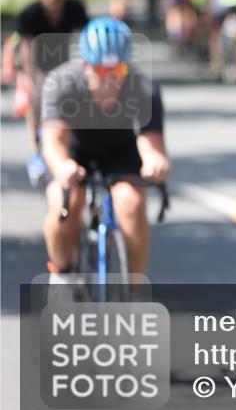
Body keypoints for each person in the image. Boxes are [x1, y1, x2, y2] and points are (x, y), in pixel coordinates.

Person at [40, 17, 170, 279]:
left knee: (131, 204)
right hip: (74, 152)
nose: (110, 79)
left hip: (120, 150)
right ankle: (61, 273)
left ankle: (133, 289)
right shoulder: (62, 83)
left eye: (118, 71)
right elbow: (53, 140)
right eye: (101, 71)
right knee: (65, 205)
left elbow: (151, 140)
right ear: (86, 65)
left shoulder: (144, 87)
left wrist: (155, 160)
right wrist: (62, 165)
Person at [9, 0, 89, 186]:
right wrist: (33, 78)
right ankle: (36, 151)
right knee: (35, 98)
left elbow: (87, 39)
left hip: (64, 66)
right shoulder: (30, 14)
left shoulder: (74, 8)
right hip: (36, 67)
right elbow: (27, 52)